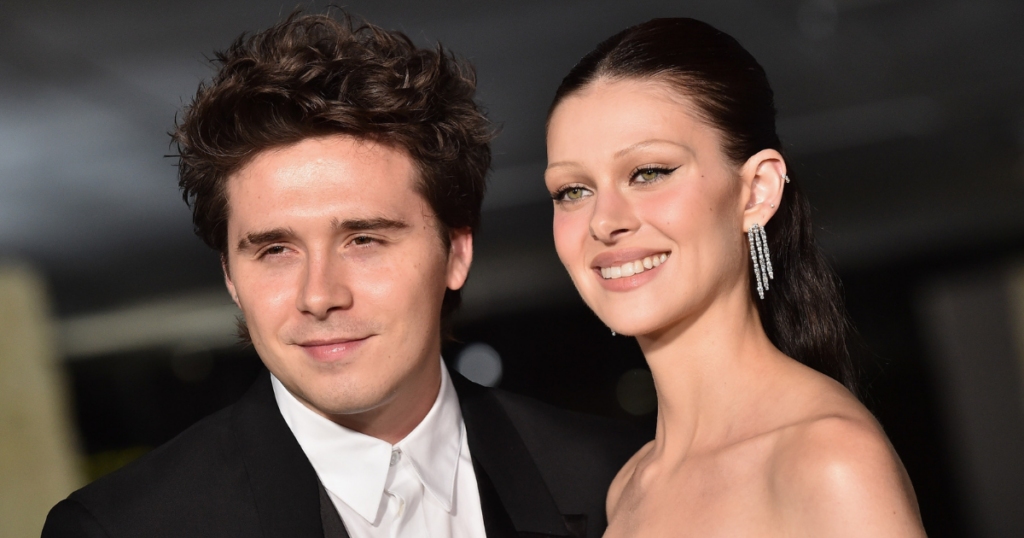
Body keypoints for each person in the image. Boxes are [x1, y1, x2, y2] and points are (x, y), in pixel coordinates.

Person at [42, 12, 645, 538]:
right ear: (230, 277)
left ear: (456, 252)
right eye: (275, 250)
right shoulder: (123, 528)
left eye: (364, 240)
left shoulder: (619, 480)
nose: (319, 296)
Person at [543, 18, 928, 537]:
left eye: (649, 172)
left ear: (757, 191)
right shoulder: (630, 486)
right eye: (572, 190)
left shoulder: (827, 458)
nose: (604, 222)